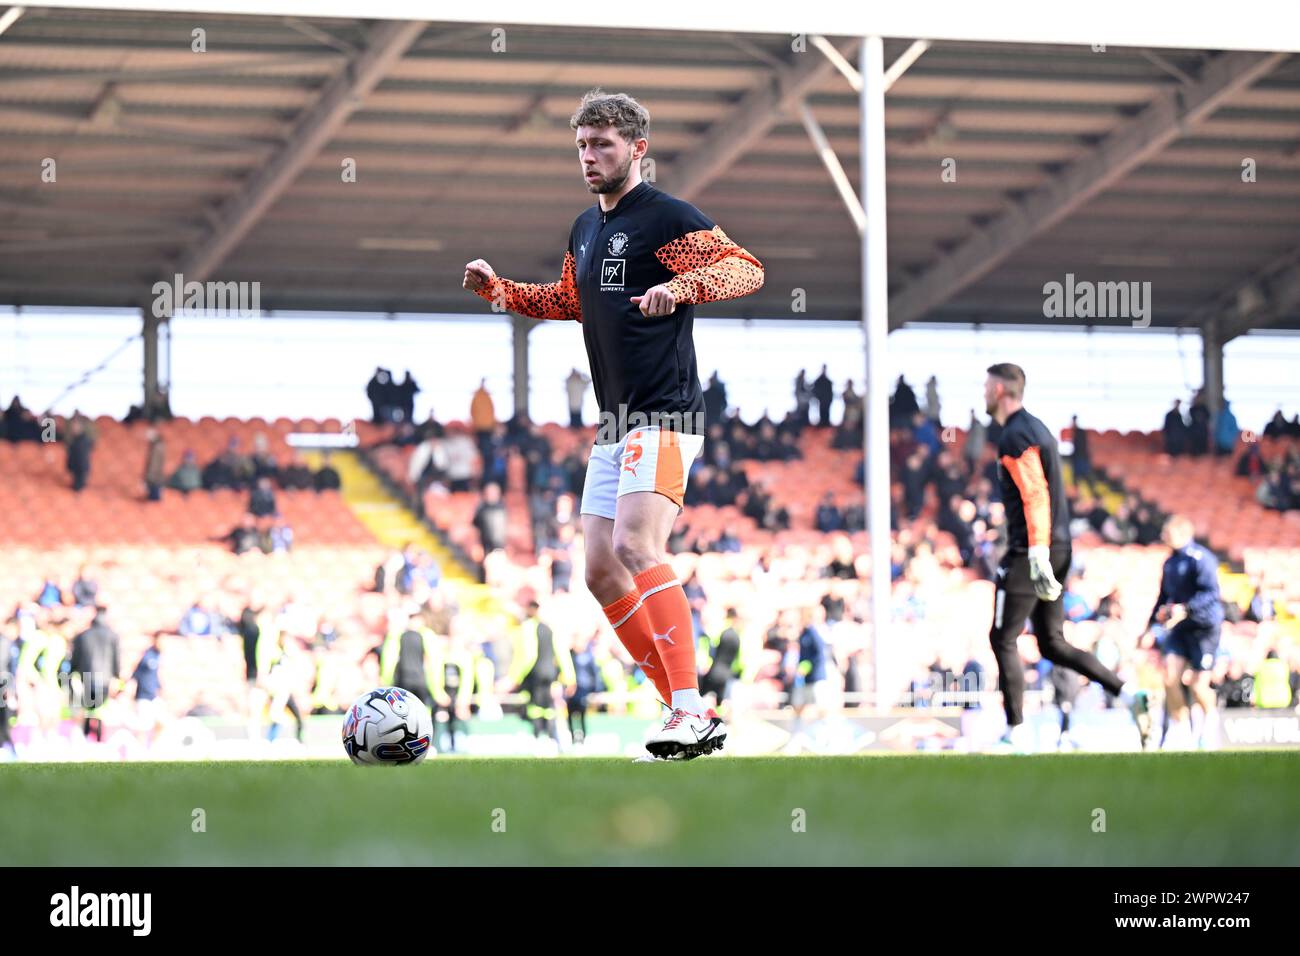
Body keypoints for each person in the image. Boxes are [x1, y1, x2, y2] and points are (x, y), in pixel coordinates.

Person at [463, 89, 764, 759]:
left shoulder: (665, 217)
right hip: (615, 421)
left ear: (637, 150)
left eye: (602, 144)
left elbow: (745, 268)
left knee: (636, 545)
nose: (590, 157)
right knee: (599, 569)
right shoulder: (585, 228)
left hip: (664, 410)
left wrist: (679, 288)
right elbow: (570, 300)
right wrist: (503, 294)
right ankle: (684, 711)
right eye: (582, 146)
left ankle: (688, 709)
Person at [982, 363, 1149, 751]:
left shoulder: (1014, 434)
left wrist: (1036, 552)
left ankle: (1016, 731)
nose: (984, 393)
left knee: (1003, 637)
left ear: (1004, 390)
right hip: (1058, 547)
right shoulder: (1038, 427)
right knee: (1052, 643)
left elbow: (1034, 493)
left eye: (988, 386)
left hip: (1031, 551)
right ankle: (1126, 694)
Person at [1140, 514, 1224, 750]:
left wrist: (1186, 609)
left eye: (1167, 532)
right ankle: (1181, 729)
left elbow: (1211, 594)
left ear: (1181, 533)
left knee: (1198, 685)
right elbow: (1163, 597)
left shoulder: (1202, 559)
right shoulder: (1169, 563)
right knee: (1169, 677)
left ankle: (1210, 722)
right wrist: (1149, 626)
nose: (1163, 537)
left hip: (1204, 628)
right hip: (1180, 628)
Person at [69, 606, 121, 742]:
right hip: (105, 680)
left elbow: (75, 660)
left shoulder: (82, 636)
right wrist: (116, 678)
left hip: (86, 678)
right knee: (99, 712)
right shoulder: (113, 636)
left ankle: (86, 739)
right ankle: (98, 741)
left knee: (87, 710)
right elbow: (116, 660)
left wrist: (73, 675)